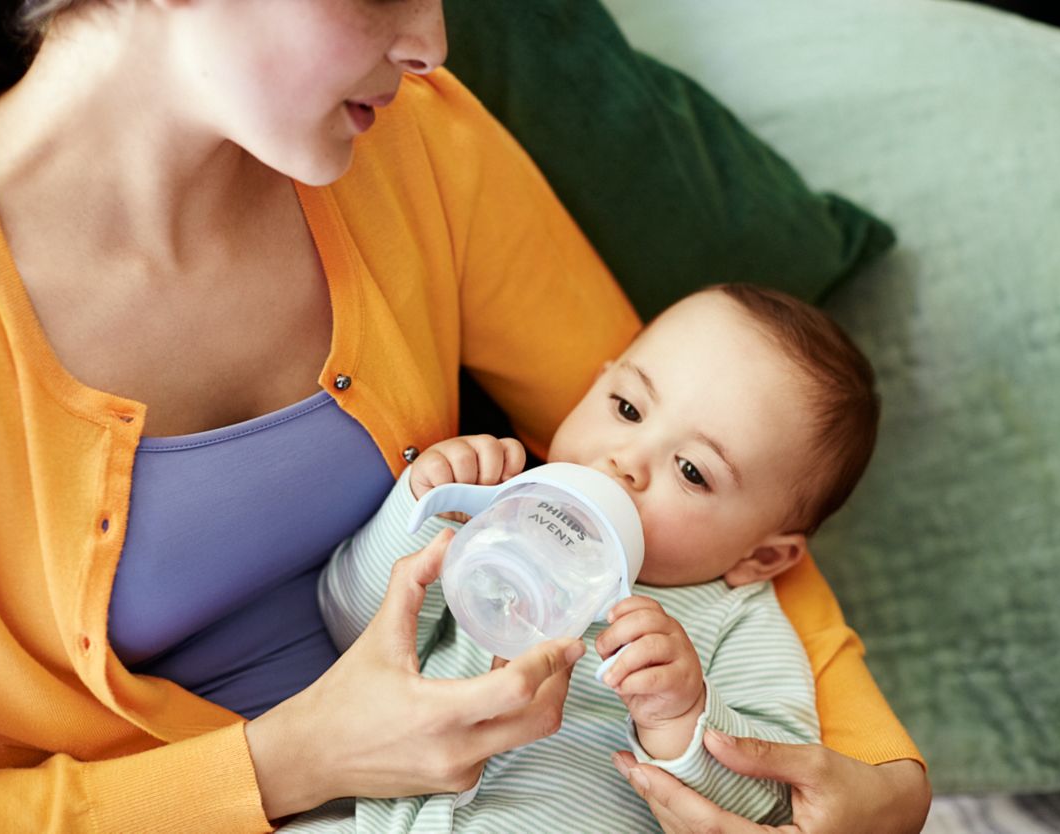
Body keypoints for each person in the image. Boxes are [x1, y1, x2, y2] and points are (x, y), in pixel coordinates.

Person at [0, 1, 929, 831]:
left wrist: (885, 781)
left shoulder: (413, 143)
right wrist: (291, 761)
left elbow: (692, 469)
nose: (432, 43)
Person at [295, 285, 882, 831]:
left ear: (762, 556)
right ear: (595, 387)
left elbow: (779, 801)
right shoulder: (504, 513)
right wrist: (422, 510)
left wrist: (682, 718)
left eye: (691, 471)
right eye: (627, 409)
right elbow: (349, 626)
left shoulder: (736, 622)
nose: (627, 459)